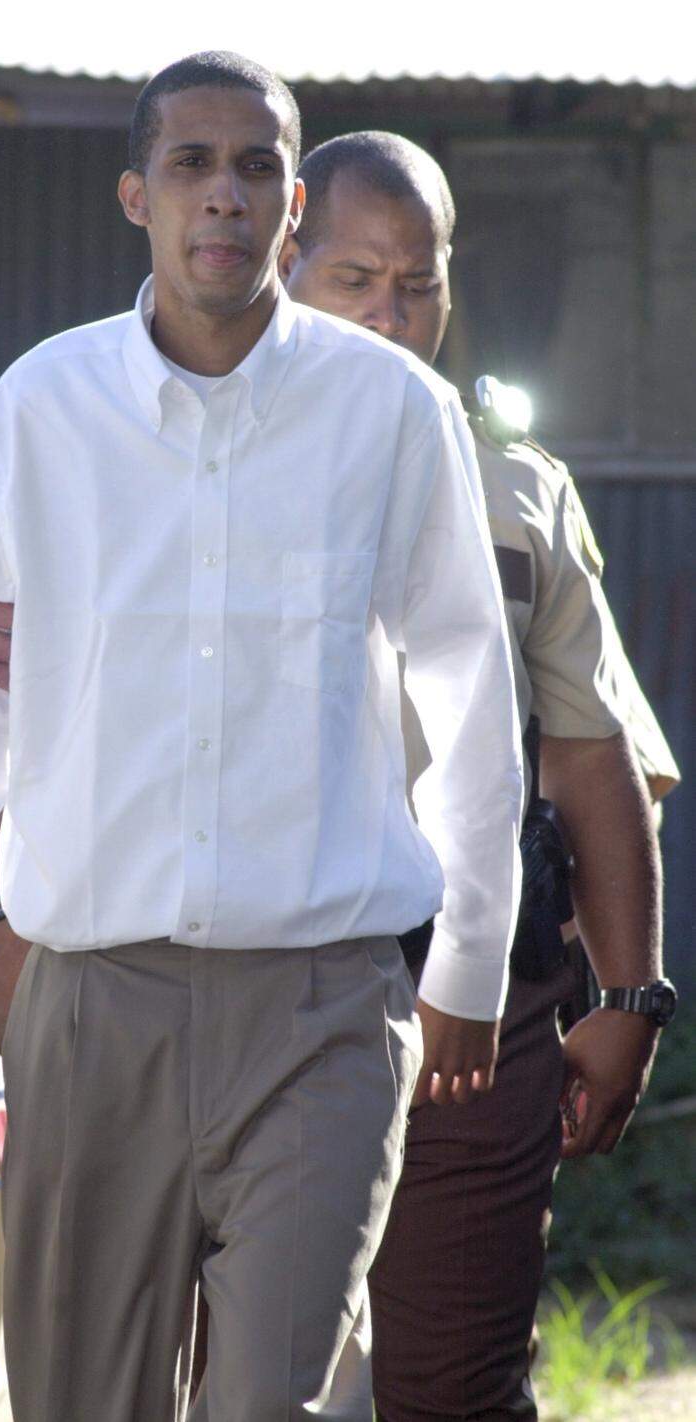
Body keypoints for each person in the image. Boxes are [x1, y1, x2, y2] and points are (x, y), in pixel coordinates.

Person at [0, 53, 525, 1422]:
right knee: (77, 1401)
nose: (223, 194)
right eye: (191, 163)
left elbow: (473, 689)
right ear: (136, 195)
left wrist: (471, 954)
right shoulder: (40, 414)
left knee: (266, 1404)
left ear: (293, 209)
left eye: (256, 167)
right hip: (92, 1007)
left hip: (324, 1010)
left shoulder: (393, 416)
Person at [278, 130, 679, 1421]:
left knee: (453, 1383)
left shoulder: (516, 488)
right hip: (245, 987)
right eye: (354, 278)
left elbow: (592, 749)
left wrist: (628, 994)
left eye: (419, 281)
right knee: (234, 1379)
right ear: (284, 263)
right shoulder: (182, 465)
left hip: (472, 1004)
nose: (392, 316)